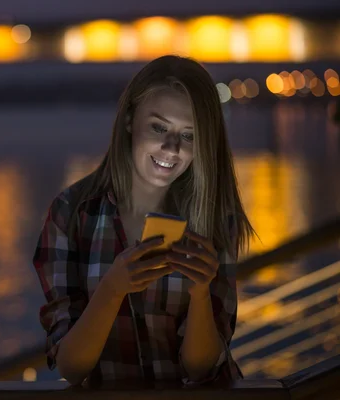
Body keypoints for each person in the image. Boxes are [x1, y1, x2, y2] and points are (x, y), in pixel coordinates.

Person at [33, 55, 255, 388]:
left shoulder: (213, 217)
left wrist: (200, 294)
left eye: (189, 136)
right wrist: (112, 289)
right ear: (129, 120)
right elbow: (71, 366)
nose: (171, 148)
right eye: (158, 127)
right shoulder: (72, 212)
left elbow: (202, 369)